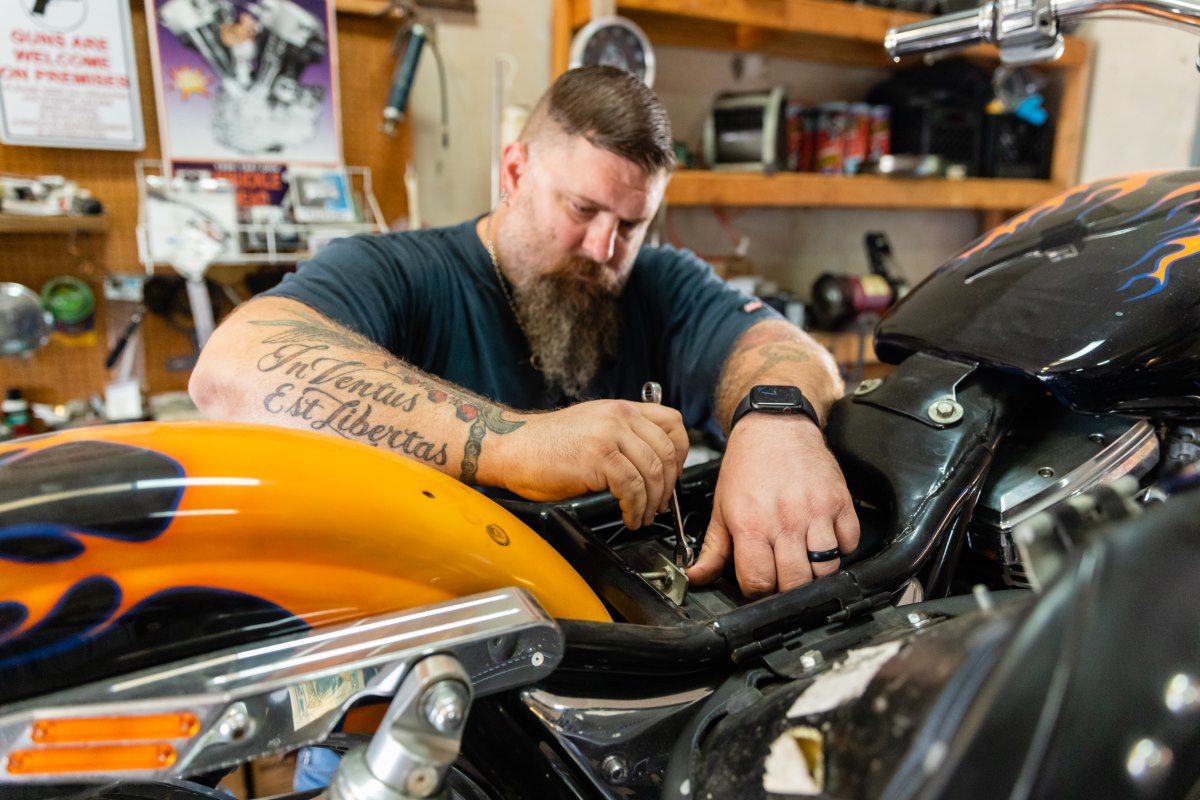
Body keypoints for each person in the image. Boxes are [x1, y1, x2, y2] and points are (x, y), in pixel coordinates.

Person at [190, 66, 860, 604]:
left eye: (631, 225)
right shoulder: (400, 271)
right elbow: (231, 370)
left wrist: (777, 420)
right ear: (513, 174)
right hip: (414, 665)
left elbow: (785, 349)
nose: (604, 248)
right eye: (583, 209)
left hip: (602, 651)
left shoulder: (657, 283)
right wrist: (518, 443)